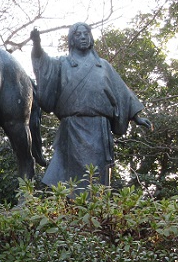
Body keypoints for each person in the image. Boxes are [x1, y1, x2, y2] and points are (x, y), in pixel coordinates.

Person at [31, 23, 151, 188]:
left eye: (86, 34)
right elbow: (44, 65)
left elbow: (121, 92)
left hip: (98, 129)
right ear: (71, 40)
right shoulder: (61, 64)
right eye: (78, 34)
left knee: (96, 177)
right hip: (72, 128)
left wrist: (136, 116)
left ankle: (97, 203)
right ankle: (70, 203)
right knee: (69, 179)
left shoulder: (103, 65)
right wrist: (37, 45)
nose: (83, 37)